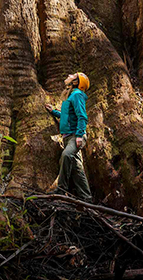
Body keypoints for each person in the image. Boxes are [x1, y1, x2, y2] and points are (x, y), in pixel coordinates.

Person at [45, 72, 92, 202]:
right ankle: (87, 199)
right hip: (68, 137)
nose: (69, 75)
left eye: (73, 75)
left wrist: (79, 135)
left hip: (75, 136)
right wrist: (53, 112)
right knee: (77, 169)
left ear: (76, 82)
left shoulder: (77, 95)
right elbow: (67, 116)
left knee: (66, 155)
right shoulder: (71, 96)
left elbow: (82, 116)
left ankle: (61, 189)